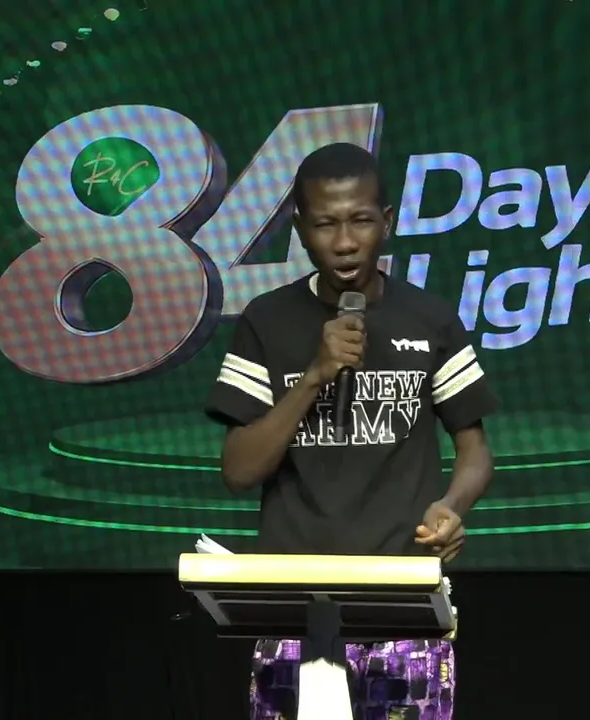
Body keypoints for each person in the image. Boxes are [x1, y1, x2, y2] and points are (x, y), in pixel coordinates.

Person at [204, 142, 498, 720]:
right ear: (300, 230)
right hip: (294, 606)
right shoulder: (267, 320)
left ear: (386, 222)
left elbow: (475, 451)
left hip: (404, 601)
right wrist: (314, 375)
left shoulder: (430, 318)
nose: (344, 242)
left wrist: (452, 506)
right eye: (325, 224)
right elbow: (238, 470)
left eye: (360, 220)